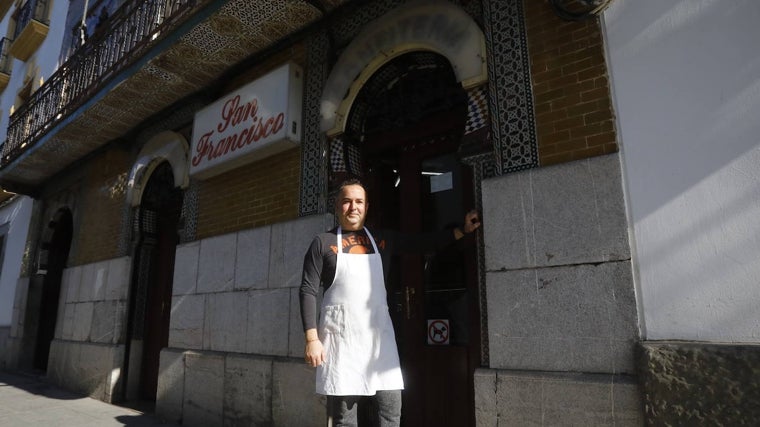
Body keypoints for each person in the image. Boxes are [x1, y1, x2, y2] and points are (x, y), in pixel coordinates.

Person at [299, 179, 481, 427]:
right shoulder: (322, 242)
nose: (353, 207)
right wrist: (312, 339)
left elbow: (422, 243)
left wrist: (462, 231)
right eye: (347, 201)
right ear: (337, 206)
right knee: (345, 419)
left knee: (390, 412)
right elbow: (308, 289)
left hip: (379, 341)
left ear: (367, 206)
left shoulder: (382, 239)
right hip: (341, 342)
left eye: (359, 201)